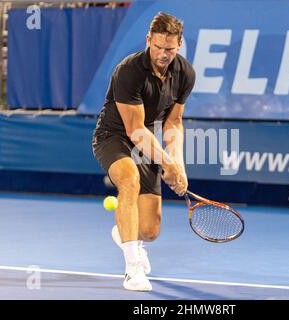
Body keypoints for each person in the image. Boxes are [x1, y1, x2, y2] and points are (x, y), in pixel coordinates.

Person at [92, 12, 196, 291]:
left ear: (179, 45)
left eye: (170, 49)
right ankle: (132, 270)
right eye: (158, 47)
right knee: (129, 181)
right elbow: (135, 129)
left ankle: (126, 234)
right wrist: (167, 165)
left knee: (149, 231)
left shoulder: (185, 73)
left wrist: (178, 164)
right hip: (113, 136)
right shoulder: (129, 70)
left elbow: (173, 122)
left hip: (147, 139)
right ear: (148, 40)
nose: (163, 54)